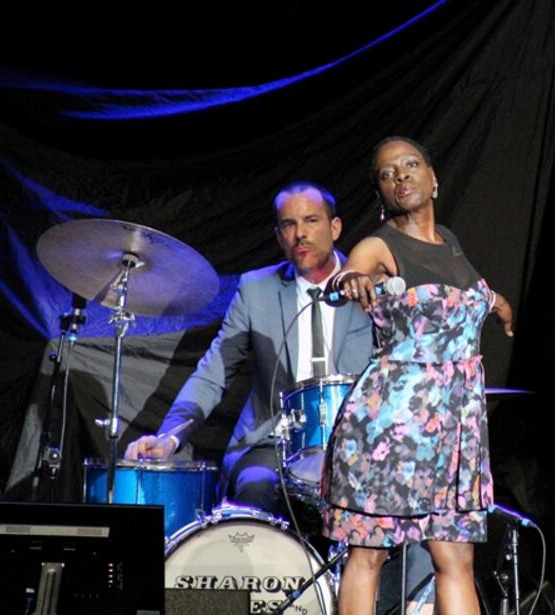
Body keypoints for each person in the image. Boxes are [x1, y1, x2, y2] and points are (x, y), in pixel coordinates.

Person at [125, 180, 436, 612]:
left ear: (336, 227)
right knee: (254, 491)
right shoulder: (256, 290)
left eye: (311, 221)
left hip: (361, 447)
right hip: (272, 446)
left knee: (415, 505)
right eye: (288, 225)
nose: (300, 234)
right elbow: (214, 372)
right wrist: (170, 436)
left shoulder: (375, 285)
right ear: (278, 236)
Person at [321, 136, 514, 615]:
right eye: (387, 173)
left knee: (455, 557)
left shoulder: (449, 241)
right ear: (381, 194)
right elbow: (347, 276)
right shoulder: (379, 245)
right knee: (369, 551)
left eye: (410, 165)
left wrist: (496, 303)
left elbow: (463, 293)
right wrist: (350, 280)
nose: (400, 176)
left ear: (433, 179)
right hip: (393, 427)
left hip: (455, 434)